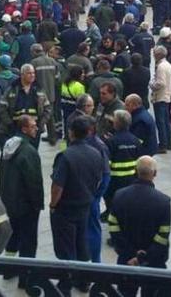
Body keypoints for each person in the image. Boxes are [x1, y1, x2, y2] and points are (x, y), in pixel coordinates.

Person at [49, 115, 103, 294]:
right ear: (88, 133)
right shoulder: (96, 153)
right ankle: (83, 280)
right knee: (82, 245)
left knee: (66, 249)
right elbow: (99, 179)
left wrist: (53, 204)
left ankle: (65, 285)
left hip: (65, 209)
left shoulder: (65, 156)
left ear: (71, 133)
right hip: (85, 206)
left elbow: (58, 186)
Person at [108, 155, 171, 296]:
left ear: (136, 170)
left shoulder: (119, 195)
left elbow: (113, 228)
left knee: (125, 293)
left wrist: (129, 254)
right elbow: (163, 235)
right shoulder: (163, 201)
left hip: (126, 259)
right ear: (155, 173)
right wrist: (143, 258)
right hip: (154, 262)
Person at [0, 114, 43, 285]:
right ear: (24, 128)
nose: (36, 128)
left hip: (10, 201)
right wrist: (37, 204)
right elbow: (34, 182)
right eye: (33, 126)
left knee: (13, 235)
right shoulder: (29, 151)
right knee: (29, 241)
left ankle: (8, 270)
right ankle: (26, 277)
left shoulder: (9, 146)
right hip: (26, 205)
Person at [103, 110, 143, 214]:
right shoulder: (136, 140)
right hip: (132, 178)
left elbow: (107, 164)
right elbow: (140, 160)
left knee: (112, 200)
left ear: (116, 124)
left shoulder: (111, 141)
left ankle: (111, 213)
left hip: (114, 180)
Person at [150, 46, 171, 153]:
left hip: (160, 96)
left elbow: (160, 83)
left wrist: (151, 84)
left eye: (154, 54)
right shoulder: (168, 65)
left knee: (161, 122)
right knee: (166, 121)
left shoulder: (160, 67)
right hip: (167, 95)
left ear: (158, 55)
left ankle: (163, 145)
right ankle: (168, 143)